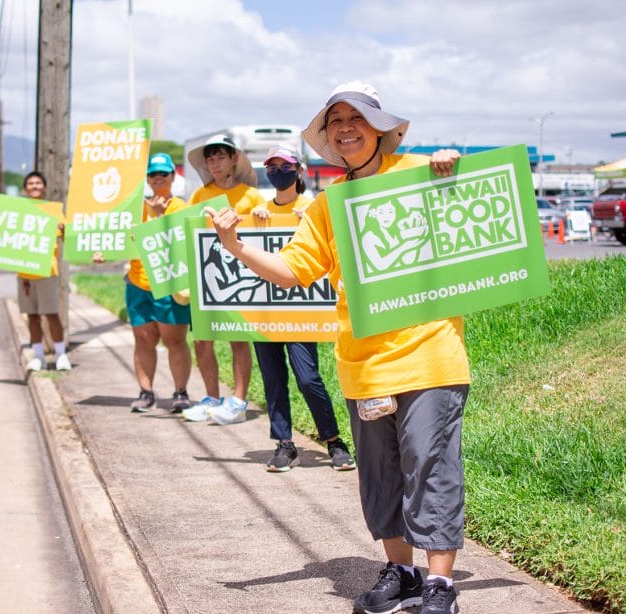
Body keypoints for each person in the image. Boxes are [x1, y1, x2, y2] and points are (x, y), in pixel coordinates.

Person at [206, 82, 470, 614]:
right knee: (380, 476)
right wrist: (234, 246)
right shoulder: (329, 205)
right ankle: (402, 570)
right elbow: (294, 270)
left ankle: (440, 584)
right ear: (328, 137)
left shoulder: (420, 172)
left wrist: (452, 171)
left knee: (431, 463)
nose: (346, 127)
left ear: (380, 128)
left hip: (429, 352)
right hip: (362, 362)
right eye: (335, 121)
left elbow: (473, 217)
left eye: (357, 117)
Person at [249, 144, 355, 473]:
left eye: (284, 165)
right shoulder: (259, 212)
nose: (277, 171)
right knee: (273, 379)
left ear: (299, 171)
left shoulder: (314, 207)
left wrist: (306, 221)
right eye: (272, 166)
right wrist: (255, 225)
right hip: (266, 311)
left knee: (308, 377)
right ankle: (284, 444)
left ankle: (334, 440)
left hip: (301, 312)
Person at [181, 134, 266, 426]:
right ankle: (211, 398)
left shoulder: (251, 195)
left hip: (238, 277)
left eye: (220, 157)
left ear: (234, 159)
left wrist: (260, 213)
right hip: (206, 277)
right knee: (202, 339)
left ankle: (239, 401)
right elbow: (184, 230)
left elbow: (263, 224)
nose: (214, 163)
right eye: (210, 158)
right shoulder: (199, 196)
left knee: (237, 338)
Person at [125, 153, 193, 413]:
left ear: (173, 177)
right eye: (153, 174)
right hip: (137, 282)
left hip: (170, 283)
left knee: (174, 340)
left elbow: (183, 245)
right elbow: (123, 240)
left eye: (163, 173)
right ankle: (146, 392)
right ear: (147, 179)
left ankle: (181, 392)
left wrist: (160, 216)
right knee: (143, 339)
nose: (158, 178)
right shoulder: (135, 208)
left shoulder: (182, 208)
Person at [18, 171, 71, 372]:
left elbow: (67, 239)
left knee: (51, 313)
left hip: (47, 271)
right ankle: (38, 356)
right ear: (25, 188)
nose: (34, 186)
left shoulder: (54, 211)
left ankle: (60, 355)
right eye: (31, 184)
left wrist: (64, 229)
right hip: (24, 273)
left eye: (38, 183)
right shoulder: (18, 210)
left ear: (44, 188)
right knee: (31, 316)